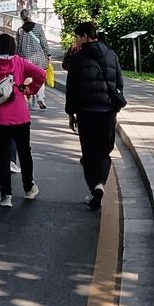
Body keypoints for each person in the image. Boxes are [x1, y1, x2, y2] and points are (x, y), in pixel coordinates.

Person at [63, 21, 125, 210]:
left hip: (86, 111)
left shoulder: (78, 58)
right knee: (104, 151)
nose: (76, 41)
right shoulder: (111, 55)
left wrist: (70, 113)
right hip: (107, 111)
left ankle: (94, 187)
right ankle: (101, 183)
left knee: (88, 153)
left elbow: (71, 88)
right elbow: (119, 83)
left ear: (84, 36)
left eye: (77, 37)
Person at [0, 33, 47, 207]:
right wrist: (29, 89)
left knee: (2, 157)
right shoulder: (19, 62)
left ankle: (6, 196)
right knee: (24, 152)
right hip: (20, 116)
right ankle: (28, 188)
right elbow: (41, 73)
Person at [16, 16, 51, 113]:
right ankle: (41, 97)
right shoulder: (38, 27)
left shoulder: (20, 30)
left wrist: (17, 57)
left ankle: (30, 101)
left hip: (25, 58)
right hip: (39, 58)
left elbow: (18, 46)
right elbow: (43, 42)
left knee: (27, 79)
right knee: (41, 77)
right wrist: (48, 54)